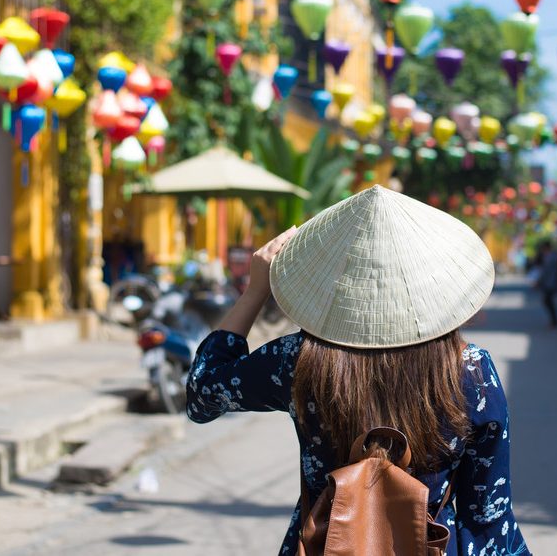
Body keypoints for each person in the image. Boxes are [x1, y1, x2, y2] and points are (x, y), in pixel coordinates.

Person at [186, 186, 531, 556]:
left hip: (325, 543)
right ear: (432, 284)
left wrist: (255, 291)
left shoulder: (296, 358)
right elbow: (489, 519)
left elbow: (202, 395)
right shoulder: (472, 372)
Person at [535, 241, 557, 328]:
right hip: (551, 282)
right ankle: (554, 320)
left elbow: (545, 272)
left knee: (547, 301)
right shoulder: (554, 256)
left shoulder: (550, 257)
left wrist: (538, 281)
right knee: (548, 301)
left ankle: (554, 321)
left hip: (550, 283)